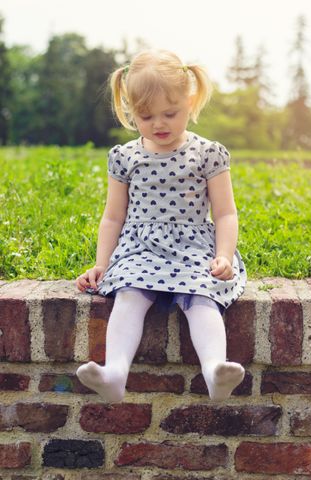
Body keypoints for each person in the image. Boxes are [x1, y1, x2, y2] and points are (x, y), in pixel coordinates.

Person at [75, 49, 247, 404]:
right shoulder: (124, 157)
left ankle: (215, 371)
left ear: (190, 101)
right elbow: (113, 217)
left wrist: (224, 255)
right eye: (146, 115)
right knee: (128, 296)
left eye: (170, 113)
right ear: (129, 111)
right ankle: (115, 373)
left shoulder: (208, 153)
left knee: (202, 295)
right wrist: (102, 264)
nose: (159, 124)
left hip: (193, 248)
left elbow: (225, 213)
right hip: (140, 247)